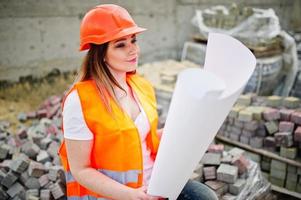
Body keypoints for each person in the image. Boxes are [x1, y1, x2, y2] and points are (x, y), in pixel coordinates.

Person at [58, 4, 218, 200]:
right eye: (121, 44)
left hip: (156, 183)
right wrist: (131, 195)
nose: (133, 50)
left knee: (206, 197)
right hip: (114, 195)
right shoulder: (79, 100)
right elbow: (80, 170)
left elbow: (143, 139)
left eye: (133, 40)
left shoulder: (141, 86)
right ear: (101, 54)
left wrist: (185, 130)